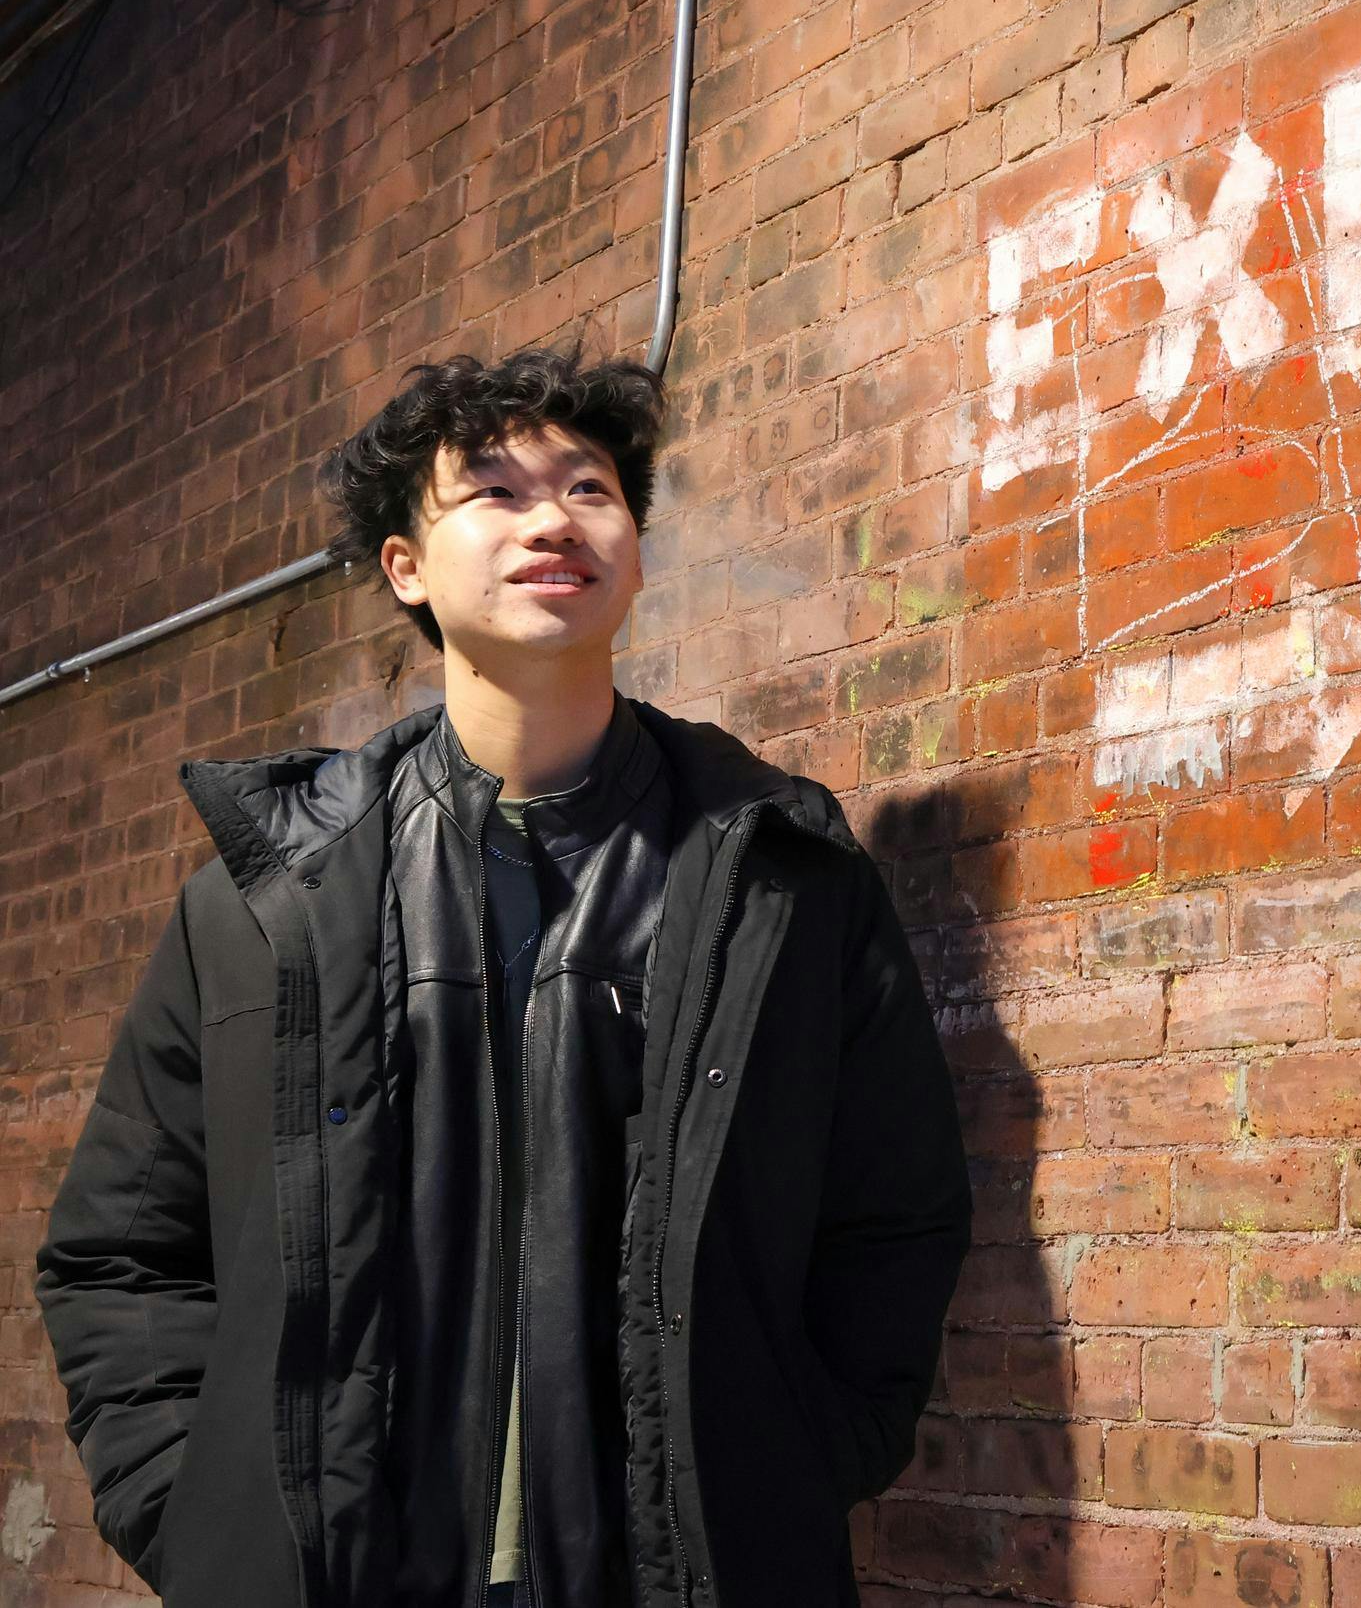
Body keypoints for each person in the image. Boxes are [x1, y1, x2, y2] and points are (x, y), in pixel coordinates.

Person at [35, 347, 972, 1608]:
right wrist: (198, 1502)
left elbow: (893, 1211)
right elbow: (124, 1250)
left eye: (588, 489)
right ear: (405, 567)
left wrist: (801, 1454)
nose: (550, 518)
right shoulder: (267, 903)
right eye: (492, 490)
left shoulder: (779, 879)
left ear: (633, 549)